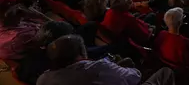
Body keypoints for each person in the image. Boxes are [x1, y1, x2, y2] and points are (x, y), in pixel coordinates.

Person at [38, 35, 176, 85]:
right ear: (80, 53)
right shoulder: (98, 68)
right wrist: (120, 68)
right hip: (126, 76)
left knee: (126, 61)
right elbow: (135, 77)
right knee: (165, 72)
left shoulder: (43, 78)